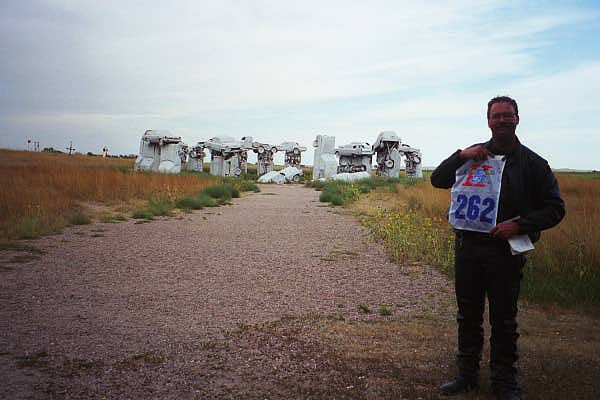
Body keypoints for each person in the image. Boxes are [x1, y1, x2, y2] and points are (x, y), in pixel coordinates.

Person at [430, 96, 565, 400]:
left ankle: (505, 381)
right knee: (468, 315)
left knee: (504, 319)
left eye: (507, 115)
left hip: (504, 254)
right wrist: (461, 154)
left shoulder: (533, 164)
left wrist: (520, 225)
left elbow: (555, 209)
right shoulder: (473, 155)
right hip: (467, 249)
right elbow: (438, 179)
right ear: (488, 120)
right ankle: (466, 375)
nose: (502, 120)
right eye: (496, 116)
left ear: (517, 118)